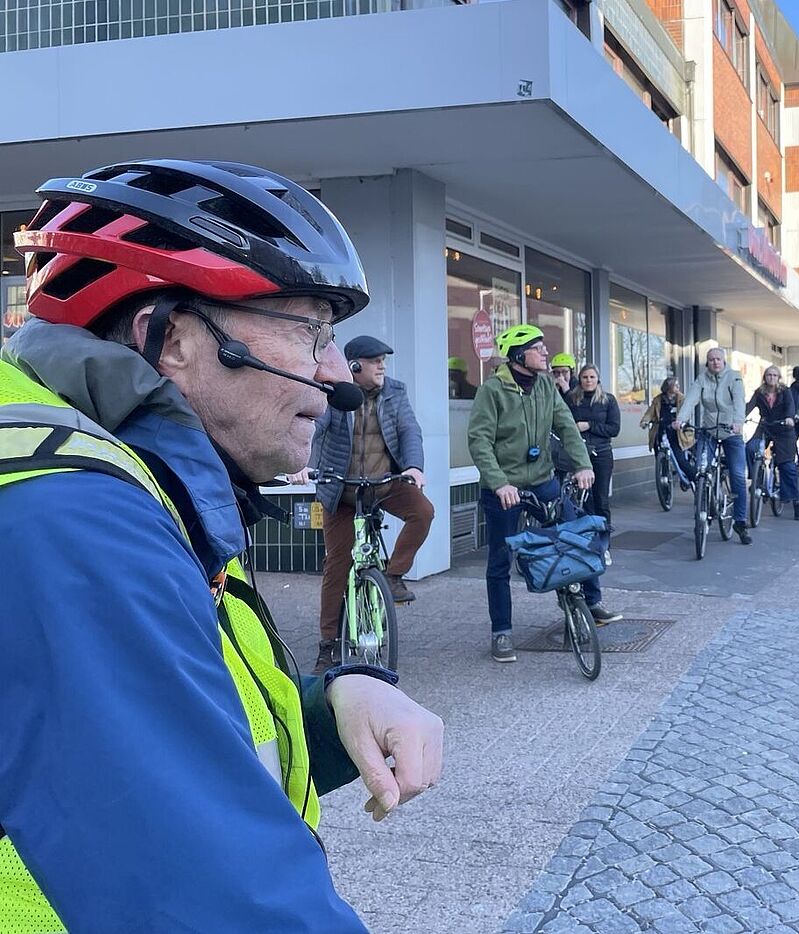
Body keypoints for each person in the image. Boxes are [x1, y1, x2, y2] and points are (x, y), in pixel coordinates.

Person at [0, 158, 443, 930]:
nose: (336, 374)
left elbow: (170, 732)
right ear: (171, 339)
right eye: (310, 331)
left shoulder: (149, 483)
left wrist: (332, 702)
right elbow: (211, 900)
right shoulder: (73, 518)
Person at [467, 325, 621, 663]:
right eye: (538, 348)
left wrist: (582, 465)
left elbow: (566, 426)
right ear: (519, 355)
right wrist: (499, 483)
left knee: (575, 533)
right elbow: (479, 441)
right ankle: (502, 632)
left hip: (541, 480)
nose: (545, 352)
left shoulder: (546, 387)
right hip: (504, 487)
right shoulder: (492, 390)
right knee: (500, 558)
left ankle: (591, 602)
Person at [293, 335, 434, 674]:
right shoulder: (336, 393)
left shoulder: (395, 392)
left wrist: (414, 467)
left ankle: (393, 575)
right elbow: (316, 426)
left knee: (423, 512)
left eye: (383, 360)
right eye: (375, 361)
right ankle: (328, 646)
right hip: (340, 490)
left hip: (383, 484)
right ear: (354, 366)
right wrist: (300, 462)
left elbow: (409, 431)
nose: (382, 366)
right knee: (337, 565)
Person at [678, 347, 751, 545]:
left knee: (737, 475)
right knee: (701, 470)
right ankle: (704, 507)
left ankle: (740, 522)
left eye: (718, 359)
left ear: (724, 361)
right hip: (709, 430)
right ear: (707, 363)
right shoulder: (702, 379)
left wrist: (738, 422)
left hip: (731, 431)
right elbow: (691, 399)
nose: (715, 362)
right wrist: (681, 419)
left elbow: (739, 402)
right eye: (711, 360)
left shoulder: (734, 377)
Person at [566, 364, 621, 529]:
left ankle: (604, 537)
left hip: (601, 454)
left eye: (592, 377)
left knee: (601, 499)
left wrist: (589, 425)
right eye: (585, 377)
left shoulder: (608, 400)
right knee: (583, 499)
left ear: (598, 380)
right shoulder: (571, 399)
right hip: (579, 454)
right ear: (579, 379)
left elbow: (614, 429)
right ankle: (587, 537)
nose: (588, 380)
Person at [746, 365, 799, 519]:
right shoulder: (759, 392)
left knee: (787, 465)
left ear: (779, 378)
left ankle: (795, 501)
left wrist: (789, 417)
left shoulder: (785, 391)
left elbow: (790, 406)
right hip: (766, 426)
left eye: (774, 375)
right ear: (765, 377)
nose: (771, 377)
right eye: (769, 375)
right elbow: (749, 407)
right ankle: (756, 479)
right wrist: (738, 418)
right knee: (750, 448)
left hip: (784, 429)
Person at [641, 375, 693, 487]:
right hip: (661, 429)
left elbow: (686, 412)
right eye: (675, 385)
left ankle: (694, 478)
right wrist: (645, 421)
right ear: (668, 387)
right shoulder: (658, 400)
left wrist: (681, 421)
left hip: (676, 431)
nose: (678, 387)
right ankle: (663, 476)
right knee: (659, 451)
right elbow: (650, 412)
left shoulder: (681, 399)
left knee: (680, 458)